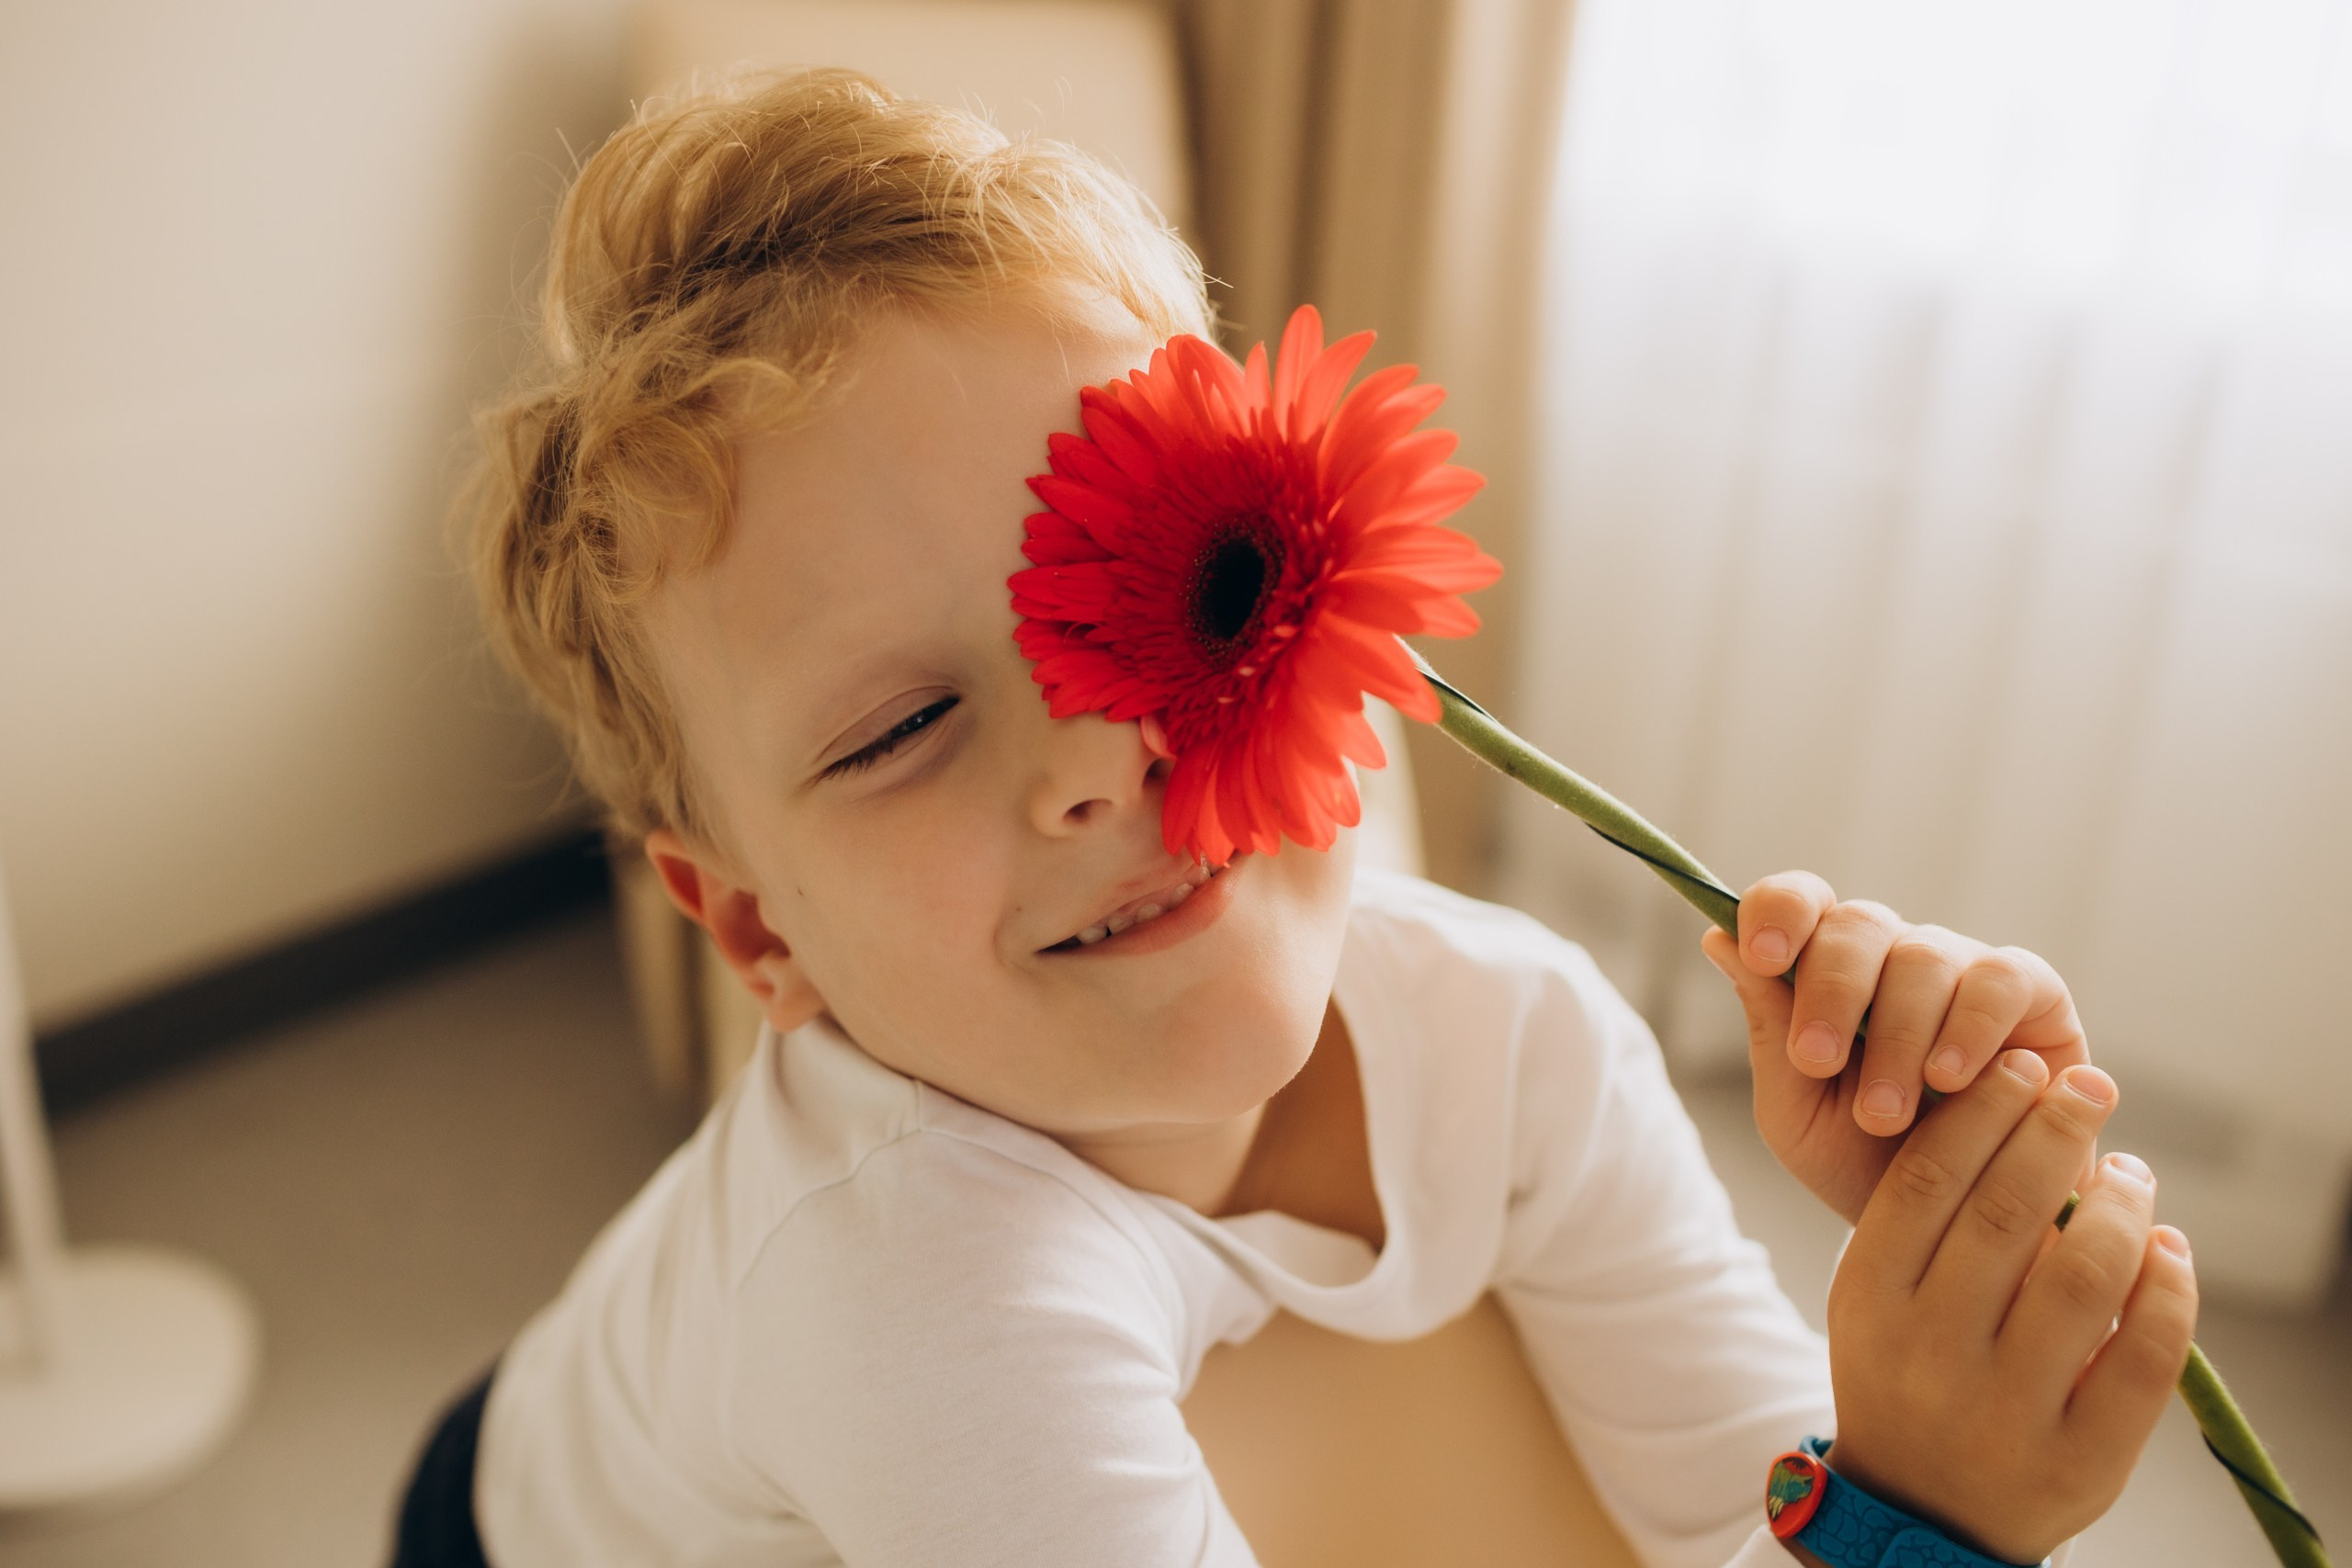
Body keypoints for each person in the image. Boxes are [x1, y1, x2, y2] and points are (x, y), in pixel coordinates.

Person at [401, 65, 2199, 1568]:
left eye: (1168, 590)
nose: (1096, 752)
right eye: (906, 725)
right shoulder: (908, 1304)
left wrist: (1919, 1322)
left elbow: (1733, 1509)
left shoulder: (1512, 1029)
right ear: (760, 935)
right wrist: (1920, 1517)